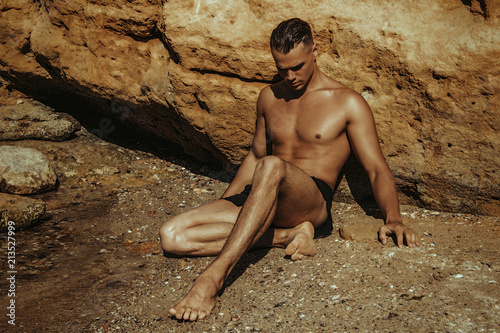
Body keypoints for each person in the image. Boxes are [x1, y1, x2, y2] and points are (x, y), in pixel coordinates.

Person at [159, 18, 419, 321]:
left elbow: (376, 168)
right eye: (282, 68)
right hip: (261, 190)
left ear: (315, 52)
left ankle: (212, 279)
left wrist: (394, 218)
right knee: (172, 236)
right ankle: (287, 236)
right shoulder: (270, 97)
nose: (290, 75)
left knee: (273, 166)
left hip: (308, 198)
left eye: (297, 66)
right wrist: (227, 201)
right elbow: (256, 156)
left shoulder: (347, 103)